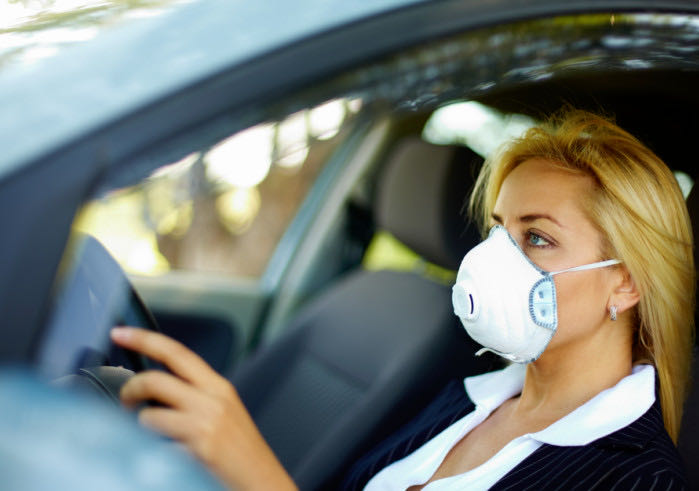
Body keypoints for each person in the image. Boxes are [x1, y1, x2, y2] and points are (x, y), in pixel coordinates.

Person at [111, 109, 694, 490]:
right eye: (498, 231)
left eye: (537, 238)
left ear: (626, 282)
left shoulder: (637, 479)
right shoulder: (470, 399)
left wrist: (255, 472)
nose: (497, 259)